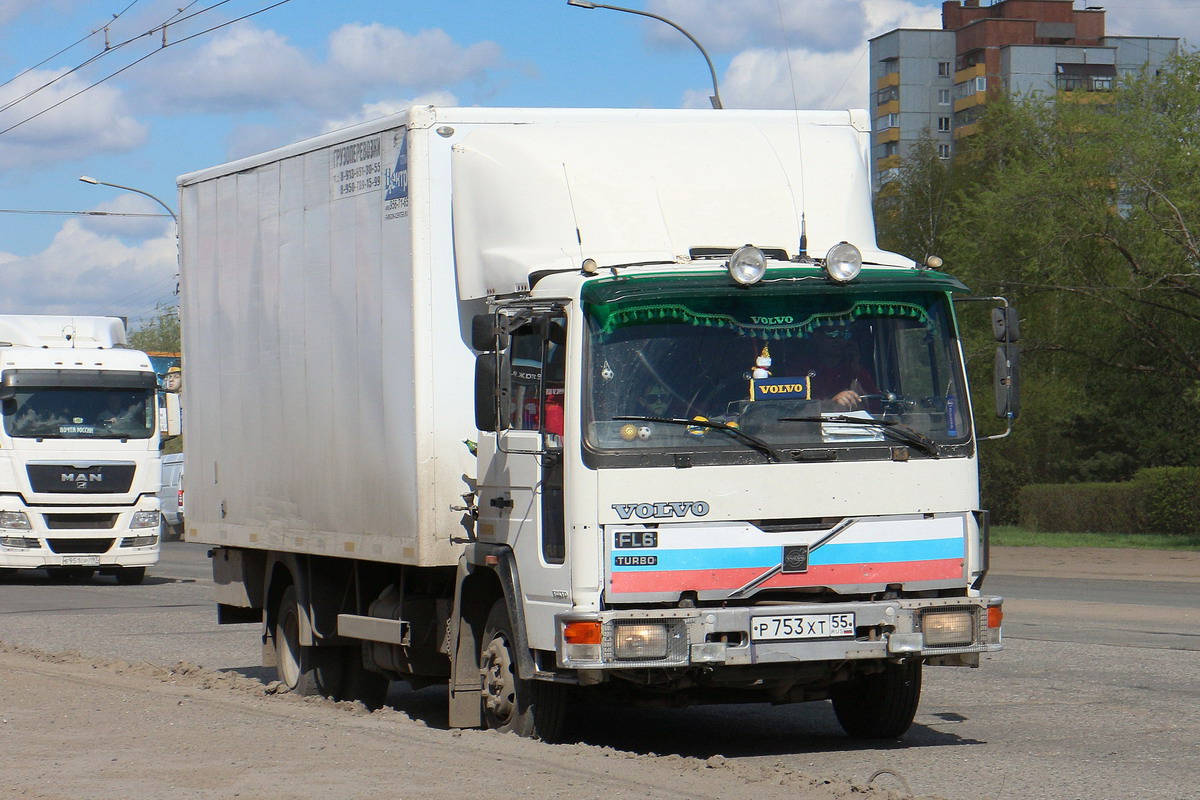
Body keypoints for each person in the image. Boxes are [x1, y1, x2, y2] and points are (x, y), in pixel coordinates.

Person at [808, 329, 877, 410]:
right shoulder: (803, 368)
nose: (838, 339)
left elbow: (876, 405)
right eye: (832, 333)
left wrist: (855, 370)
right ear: (816, 336)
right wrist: (831, 403)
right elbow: (797, 408)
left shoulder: (857, 371)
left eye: (843, 334)